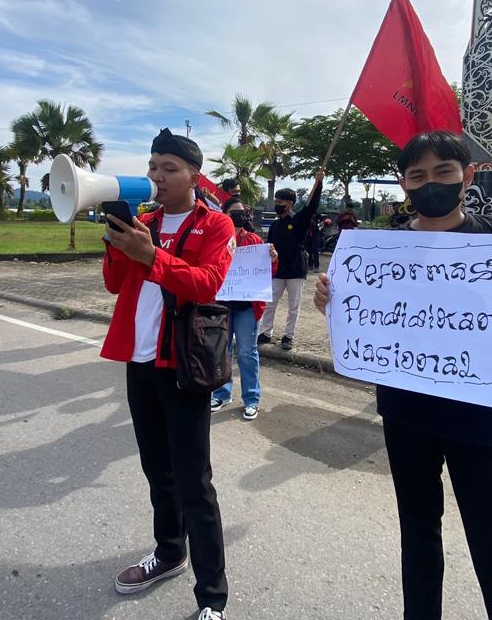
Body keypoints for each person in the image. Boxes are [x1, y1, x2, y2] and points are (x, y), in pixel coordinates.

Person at [313, 131, 492, 620]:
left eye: (443, 172)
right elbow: (366, 316)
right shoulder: (381, 250)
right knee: (419, 541)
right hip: (406, 417)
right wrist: (333, 303)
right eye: (418, 176)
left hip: (484, 425)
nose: (431, 184)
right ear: (404, 185)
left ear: (467, 176)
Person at [101, 127, 236, 620]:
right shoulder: (145, 220)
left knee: (194, 482)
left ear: (194, 176)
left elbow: (206, 284)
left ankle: (212, 599)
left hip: (183, 365)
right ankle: (169, 552)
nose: (158, 176)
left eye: (169, 168)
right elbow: (116, 284)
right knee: (157, 470)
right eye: (153, 166)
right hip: (139, 362)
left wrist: (152, 255)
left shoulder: (215, 225)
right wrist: (118, 243)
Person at [210, 197, 278, 419]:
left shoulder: (254, 240)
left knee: (247, 352)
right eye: (233, 212)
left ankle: (251, 398)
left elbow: (267, 273)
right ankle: (222, 393)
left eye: (242, 212)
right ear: (224, 214)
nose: (238, 216)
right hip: (222, 305)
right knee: (222, 351)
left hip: (247, 307)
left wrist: (273, 260)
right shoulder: (216, 240)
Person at [259, 170, 325, 351]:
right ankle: (266, 332)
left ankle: (288, 336)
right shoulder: (274, 225)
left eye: (281, 202)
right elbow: (269, 246)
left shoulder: (299, 220)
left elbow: (311, 206)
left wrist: (318, 184)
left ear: (289, 203)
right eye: (277, 201)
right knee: (270, 302)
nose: (278, 204)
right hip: (278, 270)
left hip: (296, 269)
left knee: (293, 305)